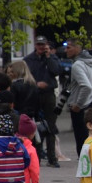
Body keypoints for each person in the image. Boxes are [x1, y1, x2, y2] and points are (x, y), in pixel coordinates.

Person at [23, 35, 62, 167]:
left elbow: (56, 71)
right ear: (35, 45)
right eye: (39, 45)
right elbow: (25, 76)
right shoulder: (28, 60)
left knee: (50, 126)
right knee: (34, 126)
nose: (41, 47)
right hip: (33, 94)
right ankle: (36, 156)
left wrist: (48, 57)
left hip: (49, 95)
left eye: (43, 45)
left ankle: (52, 158)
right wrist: (35, 84)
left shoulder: (52, 58)